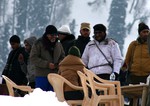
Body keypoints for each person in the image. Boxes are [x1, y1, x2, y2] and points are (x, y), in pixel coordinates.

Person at [30, 25, 65, 91]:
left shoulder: (58, 44)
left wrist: (60, 62)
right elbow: (33, 58)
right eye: (51, 35)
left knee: (53, 98)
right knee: (41, 97)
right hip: (42, 76)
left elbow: (62, 56)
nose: (54, 37)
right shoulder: (38, 43)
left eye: (55, 35)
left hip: (55, 75)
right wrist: (47, 64)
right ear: (47, 35)